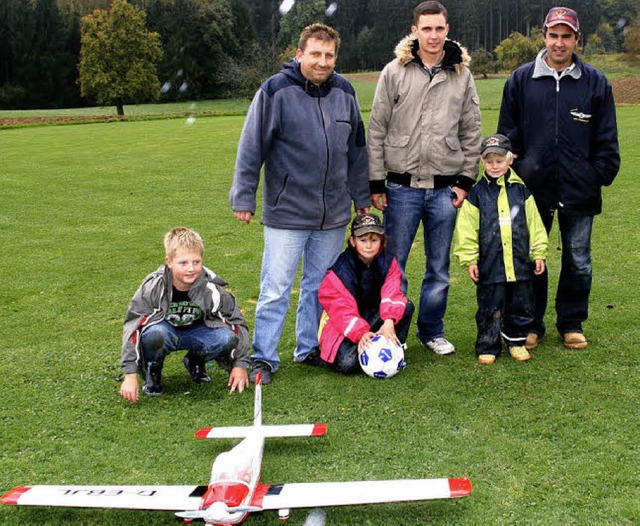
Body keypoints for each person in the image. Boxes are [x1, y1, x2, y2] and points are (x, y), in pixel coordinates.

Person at [229, 23, 370, 384]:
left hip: (334, 214)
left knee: (319, 286)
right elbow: (252, 147)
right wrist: (244, 196)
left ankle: (308, 348)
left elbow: (356, 150)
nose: (322, 62)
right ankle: (263, 357)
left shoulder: (345, 91)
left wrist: (362, 199)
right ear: (299, 54)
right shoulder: (275, 91)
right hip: (287, 213)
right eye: (315, 54)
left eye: (329, 55)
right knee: (275, 289)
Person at [497, 7, 620, 351]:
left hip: (579, 190)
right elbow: (507, 135)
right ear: (544, 37)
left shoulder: (595, 82)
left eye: (567, 36)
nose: (560, 42)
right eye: (554, 35)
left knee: (578, 259)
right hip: (533, 190)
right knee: (531, 258)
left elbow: (607, 139)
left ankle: (571, 322)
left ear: (576, 39)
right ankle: (530, 323)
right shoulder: (521, 80)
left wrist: (595, 175)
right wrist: (517, 176)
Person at [367, 1, 481, 357]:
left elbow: (472, 131)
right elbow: (376, 129)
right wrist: (375, 182)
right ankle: (393, 330)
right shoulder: (394, 71)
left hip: (446, 190)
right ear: (414, 31)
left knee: (439, 267)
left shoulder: (462, 75)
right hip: (401, 189)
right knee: (395, 267)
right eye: (426, 28)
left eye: (440, 28)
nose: (433, 35)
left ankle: (432, 330)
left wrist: (465, 180)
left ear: (448, 30)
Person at [119, 227, 250, 403]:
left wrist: (240, 365)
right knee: (155, 335)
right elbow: (133, 327)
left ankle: (195, 361)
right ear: (169, 262)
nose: (191, 269)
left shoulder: (211, 289)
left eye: (196, 262)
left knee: (227, 337)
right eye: (183, 263)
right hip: (165, 332)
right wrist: (130, 374)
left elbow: (236, 322)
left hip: (198, 332)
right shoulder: (153, 287)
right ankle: (152, 373)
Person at [454, 134, 548, 364]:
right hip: (490, 263)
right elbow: (465, 229)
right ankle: (488, 344)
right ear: (482, 162)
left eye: (499, 161)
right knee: (489, 305)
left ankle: (516, 341)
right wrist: (470, 260)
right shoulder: (476, 194)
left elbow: (535, 224)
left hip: (518, 262)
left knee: (521, 304)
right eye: (489, 162)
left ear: (510, 160)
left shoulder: (522, 191)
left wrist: (539, 253)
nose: (494, 166)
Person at [317, 213, 415, 373]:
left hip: (373, 314)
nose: (368, 246)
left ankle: (393, 348)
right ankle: (373, 350)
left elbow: (393, 292)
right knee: (346, 364)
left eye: (374, 240)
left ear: (382, 242)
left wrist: (389, 320)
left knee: (405, 307)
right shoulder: (340, 271)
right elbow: (341, 310)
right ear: (352, 241)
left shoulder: (388, 261)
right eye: (363, 240)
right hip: (346, 322)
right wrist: (361, 332)